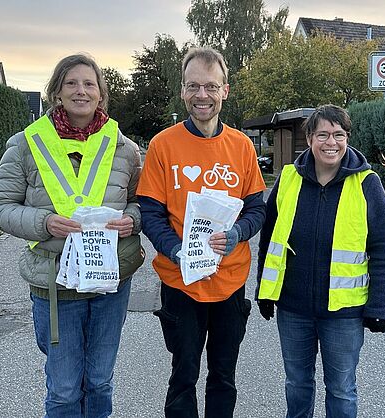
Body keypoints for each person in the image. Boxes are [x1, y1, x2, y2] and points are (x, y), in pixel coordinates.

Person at [0, 53, 143, 417]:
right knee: (64, 389)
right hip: (55, 284)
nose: (81, 91)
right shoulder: (26, 144)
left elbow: (141, 201)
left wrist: (132, 220)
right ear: (56, 91)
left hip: (110, 281)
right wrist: (44, 222)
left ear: (101, 94)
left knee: (100, 382)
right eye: (71, 83)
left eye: (90, 84)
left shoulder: (124, 147)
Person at [137, 46, 266, 418]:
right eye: (193, 87)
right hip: (181, 283)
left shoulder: (241, 146)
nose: (202, 96)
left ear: (225, 90)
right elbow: (151, 212)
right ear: (182, 91)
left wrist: (238, 233)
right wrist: (177, 250)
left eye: (211, 87)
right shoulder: (163, 145)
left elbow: (256, 208)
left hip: (229, 282)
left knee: (223, 376)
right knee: (183, 375)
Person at [256, 104, 385, 418]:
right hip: (293, 309)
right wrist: (264, 290)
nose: (331, 142)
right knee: (297, 384)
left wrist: (379, 306)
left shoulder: (366, 183)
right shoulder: (289, 178)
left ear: (347, 138)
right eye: (323, 134)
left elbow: (383, 248)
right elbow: (269, 237)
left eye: (339, 135)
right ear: (309, 138)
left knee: (342, 390)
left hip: (344, 313)